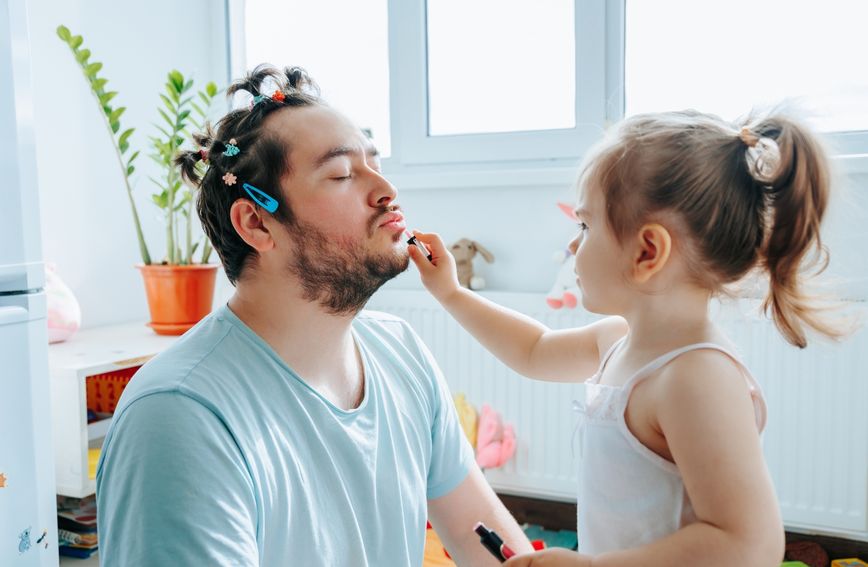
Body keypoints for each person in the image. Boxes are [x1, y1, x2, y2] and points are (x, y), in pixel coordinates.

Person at [96, 64, 532, 566]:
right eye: (343, 174)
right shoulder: (180, 416)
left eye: (375, 162)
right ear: (257, 222)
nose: (385, 190)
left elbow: (479, 533)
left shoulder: (401, 351)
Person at [409, 110, 844, 566]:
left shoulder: (696, 377)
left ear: (647, 251)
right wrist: (452, 294)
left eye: (585, 226)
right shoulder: (618, 341)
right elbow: (533, 351)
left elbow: (747, 546)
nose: (574, 246)